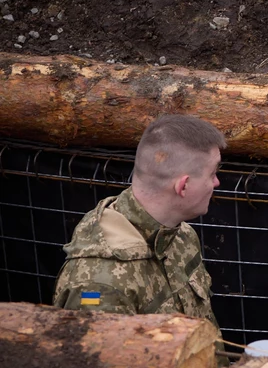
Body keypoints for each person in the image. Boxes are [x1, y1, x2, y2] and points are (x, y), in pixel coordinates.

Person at [53, 114, 225, 328]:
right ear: (183, 186)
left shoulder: (180, 235)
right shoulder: (99, 284)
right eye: (212, 173)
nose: (216, 182)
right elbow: (99, 360)